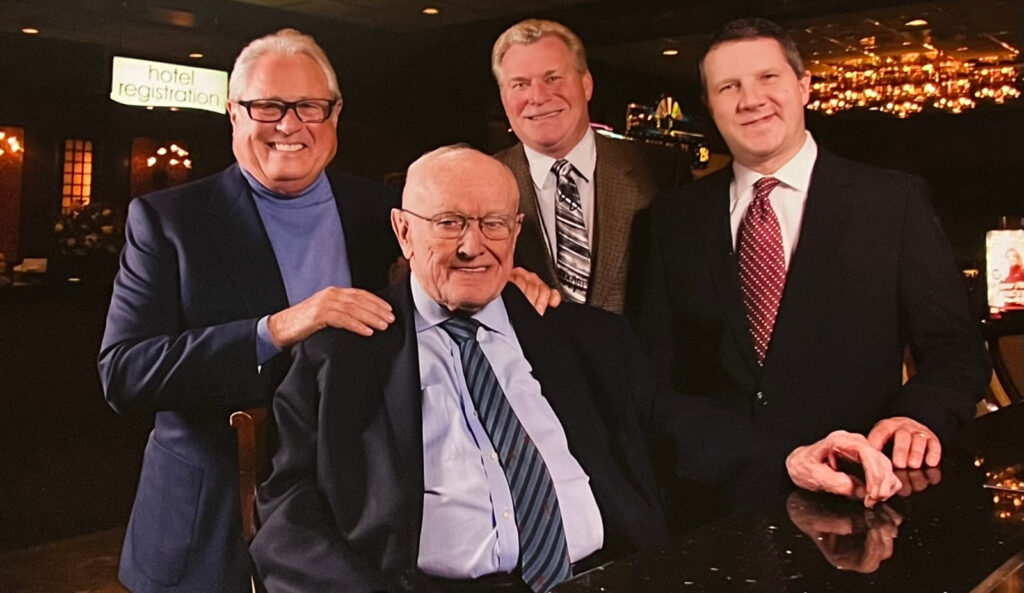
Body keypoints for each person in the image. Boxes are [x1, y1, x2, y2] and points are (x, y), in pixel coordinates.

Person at [250, 145, 902, 593]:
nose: (474, 245)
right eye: (448, 222)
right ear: (403, 230)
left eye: (493, 223)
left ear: (516, 227)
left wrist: (792, 457)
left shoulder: (580, 334)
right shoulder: (342, 352)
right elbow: (285, 516)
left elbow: (671, 420)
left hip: (610, 574)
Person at [98, 29, 402, 592]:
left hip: (351, 522)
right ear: (234, 114)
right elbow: (125, 373)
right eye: (267, 106)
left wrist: (510, 279)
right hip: (207, 532)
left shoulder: (385, 212)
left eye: (310, 106)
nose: (290, 125)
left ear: (334, 114)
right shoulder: (169, 220)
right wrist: (278, 328)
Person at [638, 18, 989, 474]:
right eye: (729, 87)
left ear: (804, 86)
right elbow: (653, 379)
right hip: (718, 495)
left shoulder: (891, 203)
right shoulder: (672, 218)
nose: (751, 100)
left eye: (768, 78)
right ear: (709, 104)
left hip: (861, 484)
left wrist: (916, 417)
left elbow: (955, 350)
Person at [492, 19, 667, 315]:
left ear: (586, 84)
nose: (537, 97)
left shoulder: (658, 171)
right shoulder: (479, 181)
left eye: (552, 78)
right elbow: (418, 275)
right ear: (504, 98)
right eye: (520, 84)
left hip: (634, 360)